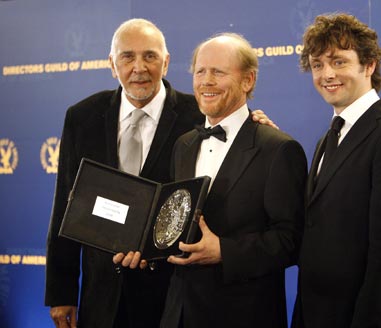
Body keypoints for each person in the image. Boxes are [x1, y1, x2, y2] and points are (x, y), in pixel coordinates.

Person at [45, 18, 274, 328]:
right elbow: (65, 206)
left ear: (166, 63)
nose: (139, 67)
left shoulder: (203, 113)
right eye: (127, 57)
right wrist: (61, 292)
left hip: (170, 298)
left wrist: (253, 125)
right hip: (100, 296)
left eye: (150, 56)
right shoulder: (82, 117)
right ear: (112, 65)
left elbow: (241, 137)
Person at [159, 32, 307, 328]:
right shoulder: (183, 145)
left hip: (243, 314)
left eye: (218, 72)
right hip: (179, 314)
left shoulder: (278, 149)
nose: (206, 81)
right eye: (200, 71)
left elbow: (292, 240)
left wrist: (225, 251)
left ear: (248, 81)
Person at [291, 13, 381, 328]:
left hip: (363, 315)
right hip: (316, 312)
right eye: (317, 65)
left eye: (338, 62)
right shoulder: (330, 137)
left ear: (369, 65)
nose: (327, 74)